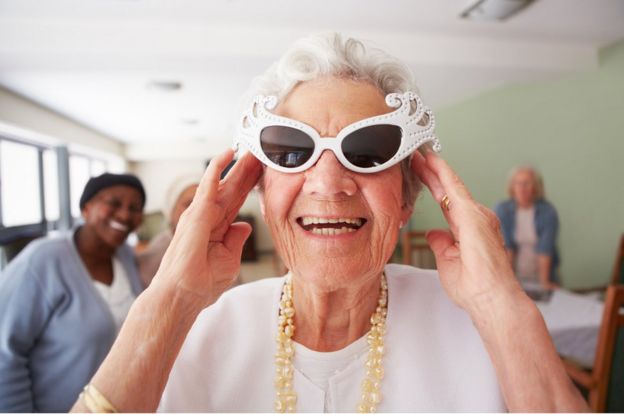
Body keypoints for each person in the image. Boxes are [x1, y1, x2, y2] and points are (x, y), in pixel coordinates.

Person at [71, 33, 587, 412]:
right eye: (293, 151)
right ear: (261, 188)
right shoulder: (196, 333)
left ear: (410, 195)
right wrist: (170, 299)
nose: (328, 183)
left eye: (368, 150)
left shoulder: (482, 329)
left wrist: (503, 308)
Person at [0, 173, 146, 412]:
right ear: (86, 208)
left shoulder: (126, 257)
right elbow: (5, 352)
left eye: (135, 207)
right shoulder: (43, 260)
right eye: (114, 203)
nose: (125, 214)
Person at [495, 166, 560, 291]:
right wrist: (507, 281)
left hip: (541, 275)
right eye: (518, 183)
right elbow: (506, 248)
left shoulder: (548, 212)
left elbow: (545, 250)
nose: (522, 188)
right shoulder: (502, 210)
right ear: (512, 187)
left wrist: (544, 283)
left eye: (527, 183)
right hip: (514, 275)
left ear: (536, 187)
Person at [137, 175, 200, 287]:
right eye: (189, 204)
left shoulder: (216, 243)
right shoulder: (157, 253)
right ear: (171, 211)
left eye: (205, 203)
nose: (199, 210)